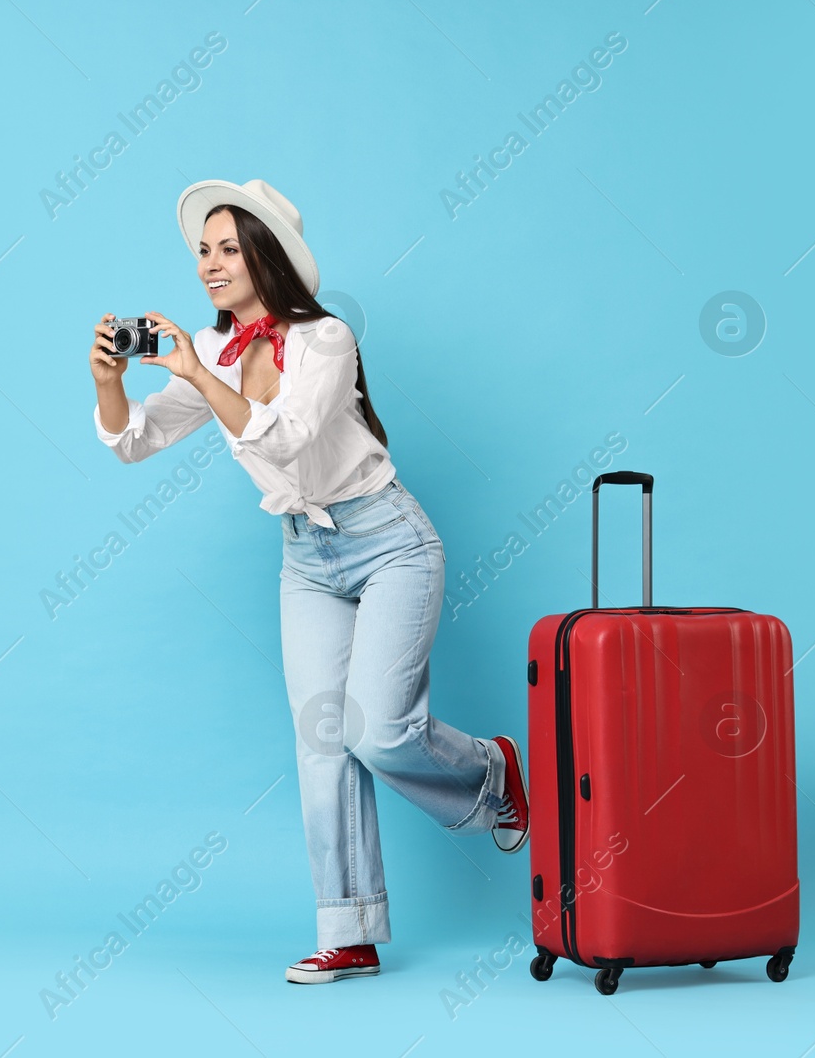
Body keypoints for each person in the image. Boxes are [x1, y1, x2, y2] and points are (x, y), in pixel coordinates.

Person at [88, 179, 529, 985]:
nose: (209, 266)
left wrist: (194, 364)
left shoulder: (325, 339)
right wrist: (112, 379)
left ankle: (491, 771)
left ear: (267, 256)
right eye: (202, 252)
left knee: (380, 731)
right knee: (326, 735)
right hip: (306, 559)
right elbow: (133, 441)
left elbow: (287, 441)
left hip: (388, 540)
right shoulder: (216, 351)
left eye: (226, 249)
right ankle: (350, 932)